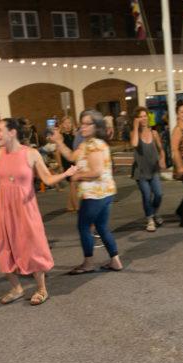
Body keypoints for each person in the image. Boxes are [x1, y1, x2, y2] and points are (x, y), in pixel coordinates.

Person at [0, 118, 75, 305]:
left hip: (26, 209)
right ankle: (16, 288)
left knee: (32, 246)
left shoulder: (31, 153)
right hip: (3, 208)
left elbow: (48, 180)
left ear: (12, 132)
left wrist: (66, 174)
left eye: (0, 130)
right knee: (4, 247)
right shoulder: (0, 153)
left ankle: (42, 288)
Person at [52, 110, 123, 274]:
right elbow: (71, 156)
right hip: (104, 193)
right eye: (81, 123)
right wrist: (59, 142)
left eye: (86, 124)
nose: (82, 127)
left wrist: (77, 176)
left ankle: (88, 263)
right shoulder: (86, 144)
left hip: (95, 195)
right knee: (102, 226)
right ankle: (115, 260)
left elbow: (96, 172)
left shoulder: (95, 145)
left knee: (84, 226)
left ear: (96, 126)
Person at [130, 107, 166, 232]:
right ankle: (150, 219)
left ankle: (154, 212)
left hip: (154, 169)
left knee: (158, 194)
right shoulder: (134, 133)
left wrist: (162, 159)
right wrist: (135, 127)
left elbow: (161, 149)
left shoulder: (154, 133)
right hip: (140, 171)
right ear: (136, 119)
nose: (143, 118)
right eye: (140, 116)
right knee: (146, 195)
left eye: (145, 116)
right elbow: (134, 144)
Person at [55, 116, 79, 212]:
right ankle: (77, 207)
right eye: (66, 123)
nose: (68, 125)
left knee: (74, 185)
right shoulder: (61, 137)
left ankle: (69, 206)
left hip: (74, 162)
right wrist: (60, 166)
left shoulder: (74, 136)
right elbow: (57, 153)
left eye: (69, 123)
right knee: (73, 184)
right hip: (66, 163)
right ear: (62, 125)